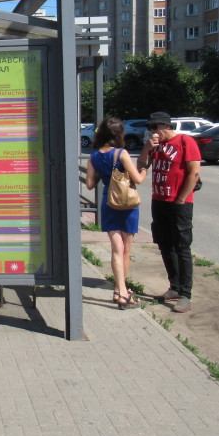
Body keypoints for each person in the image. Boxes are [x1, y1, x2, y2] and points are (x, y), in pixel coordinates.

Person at [136, 110, 201, 313]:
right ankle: (174, 286)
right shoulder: (157, 146)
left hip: (179, 203)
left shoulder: (185, 142)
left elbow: (194, 172)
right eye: (150, 128)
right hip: (160, 200)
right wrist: (147, 149)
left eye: (155, 127)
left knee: (182, 247)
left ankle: (185, 295)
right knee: (165, 245)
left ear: (167, 126)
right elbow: (141, 166)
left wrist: (182, 198)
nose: (152, 131)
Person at [85, 117, 148, 309]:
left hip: (108, 202)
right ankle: (122, 292)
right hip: (127, 205)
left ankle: (119, 289)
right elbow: (137, 178)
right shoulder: (122, 154)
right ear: (119, 134)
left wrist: (104, 174)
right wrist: (145, 169)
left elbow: (89, 184)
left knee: (115, 249)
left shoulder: (93, 156)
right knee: (126, 249)